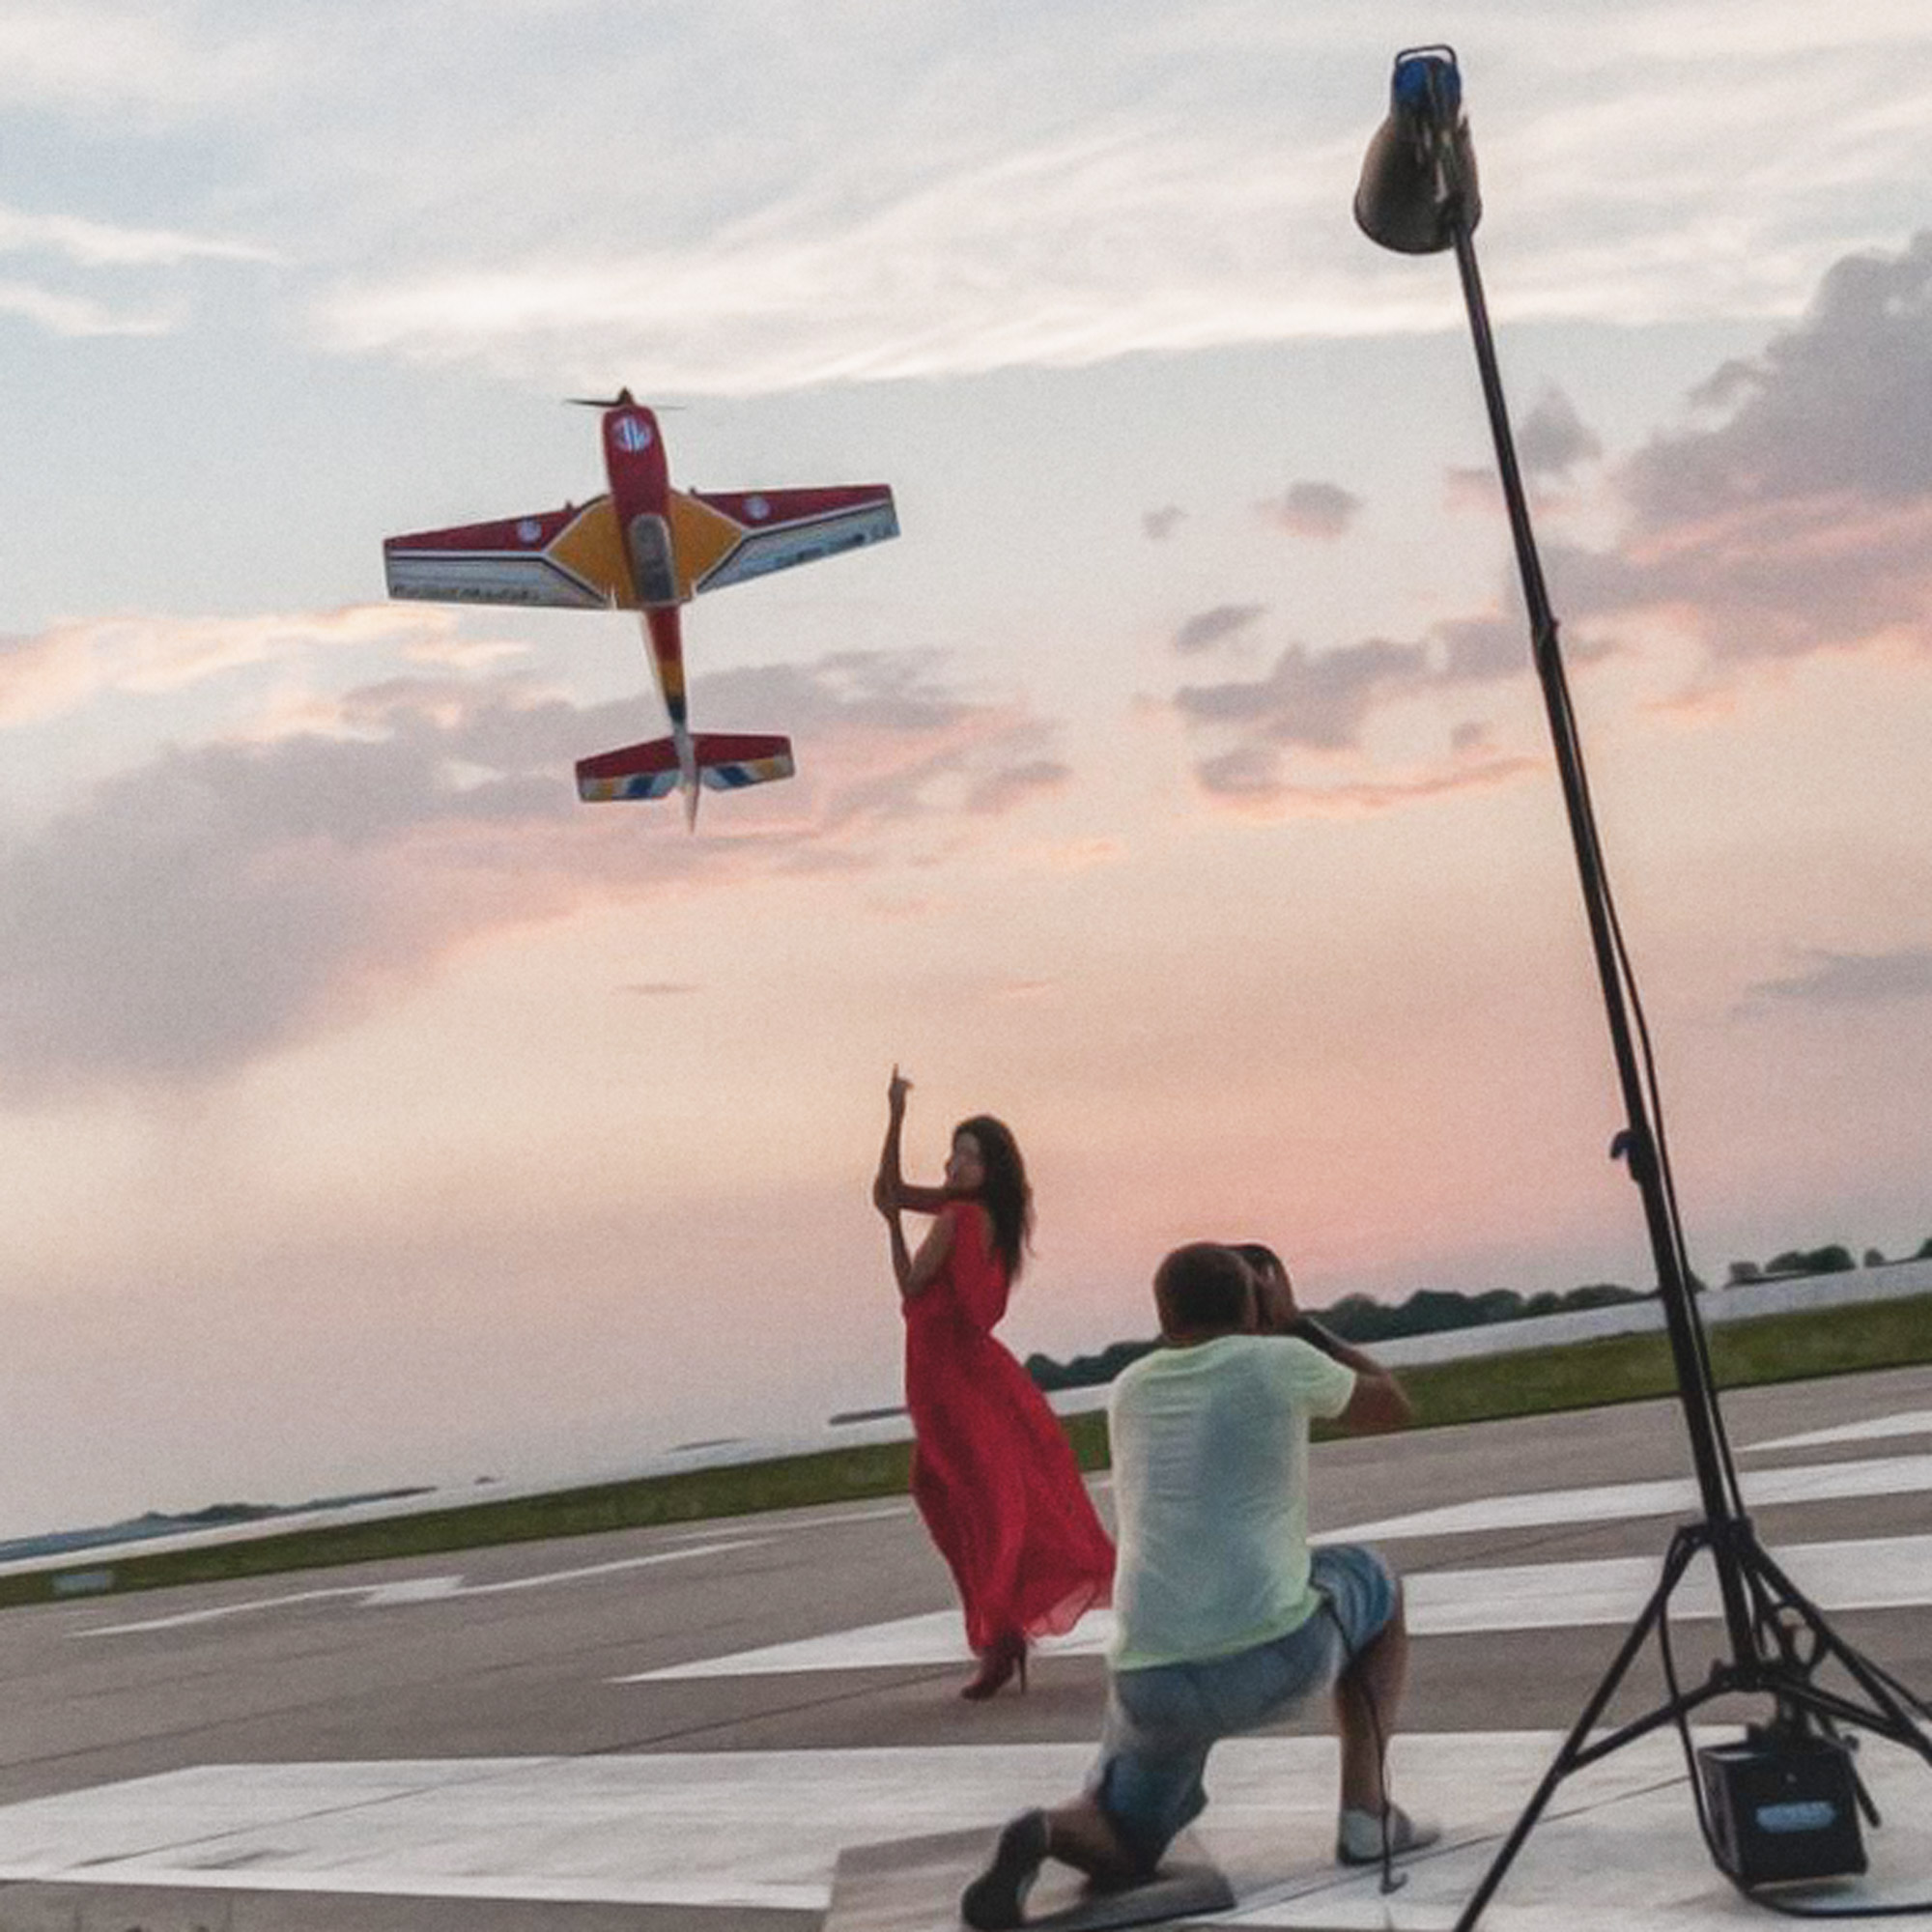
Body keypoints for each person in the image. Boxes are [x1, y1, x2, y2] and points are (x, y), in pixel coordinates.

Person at [961, 1241, 1435, 1928]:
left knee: (1125, 1843)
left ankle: (1045, 1831)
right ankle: (1367, 1814)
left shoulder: (1129, 1388)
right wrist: (1298, 1324)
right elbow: (1391, 1405)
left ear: (1164, 1317)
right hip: (1268, 1657)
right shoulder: (1280, 1360)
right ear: (1253, 1303)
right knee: (1375, 1581)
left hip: (1151, 1679)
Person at [872, 1067, 1113, 1700]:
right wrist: (895, 1118)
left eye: (970, 1156)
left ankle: (1000, 1636)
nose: (955, 1163)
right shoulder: (981, 1215)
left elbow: (911, 1287)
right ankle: (1001, 1635)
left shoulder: (958, 1218)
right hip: (964, 1373)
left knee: (973, 1505)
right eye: (953, 1152)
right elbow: (889, 1190)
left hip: (951, 1378)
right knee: (962, 1496)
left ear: (991, 1170)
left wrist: (893, 1228)